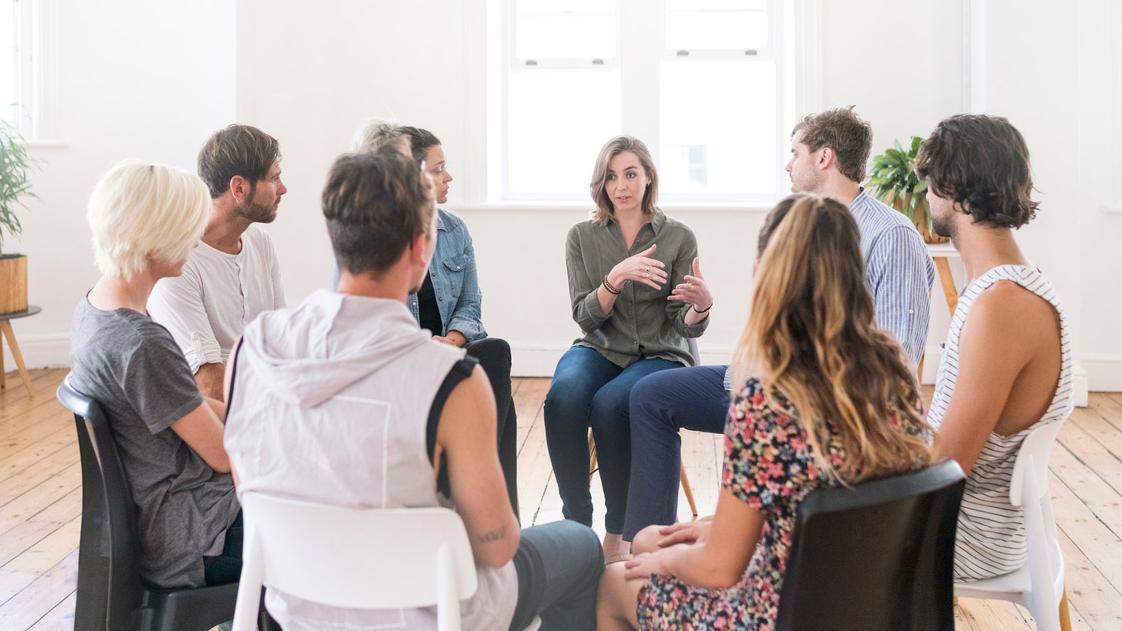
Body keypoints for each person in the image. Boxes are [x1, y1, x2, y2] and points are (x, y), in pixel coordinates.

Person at [223, 146, 603, 630]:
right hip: (426, 610)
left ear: (335, 236)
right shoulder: (451, 380)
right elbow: (496, 545)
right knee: (582, 545)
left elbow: (248, 483)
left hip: (294, 608)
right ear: (421, 247)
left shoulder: (251, 349)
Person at [596, 194, 932, 630]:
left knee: (618, 578)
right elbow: (823, 493)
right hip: (861, 598)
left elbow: (719, 569)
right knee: (645, 540)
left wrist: (674, 558)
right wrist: (714, 528)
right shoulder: (894, 373)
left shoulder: (768, 398)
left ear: (767, 273)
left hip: (778, 611)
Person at [622, 107, 935, 542]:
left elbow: (896, 356)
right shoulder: (803, 226)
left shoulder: (891, 235)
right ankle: (647, 543)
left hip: (817, 405)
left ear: (824, 158)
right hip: (770, 383)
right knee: (650, 396)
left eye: (795, 152)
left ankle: (695, 547)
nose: (788, 164)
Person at [67, 161, 241, 588]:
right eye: (187, 231)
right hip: (193, 539)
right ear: (153, 241)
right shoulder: (141, 344)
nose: (196, 241)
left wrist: (247, 411)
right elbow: (224, 456)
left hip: (162, 523)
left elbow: (190, 405)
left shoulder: (94, 309)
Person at [334, 121, 521, 515]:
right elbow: (362, 318)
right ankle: (487, 506)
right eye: (438, 169)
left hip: (447, 354)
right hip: (397, 363)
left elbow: (472, 308)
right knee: (491, 374)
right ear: (412, 177)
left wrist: (448, 343)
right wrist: (421, 348)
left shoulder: (454, 230)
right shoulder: (370, 239)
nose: (448, 176)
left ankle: (486, 500)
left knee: (494, 354)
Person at [916, 114, 1073, 580]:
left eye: (929, 186)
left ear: (952, 188)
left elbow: (947, 465)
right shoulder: (1008, 287)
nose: (926, 198)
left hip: (961, 536)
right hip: (967, 521)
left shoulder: (1000, 306)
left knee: (788, 523)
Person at [545, 135, 712, 562]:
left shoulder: (677, 237)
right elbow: (585, 316)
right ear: (601, 184)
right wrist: (614, 279)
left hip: (659, 352)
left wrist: (700, 306)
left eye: (631, 174)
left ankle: (615, 532)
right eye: (612, 176)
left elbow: (683, 325)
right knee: (562, 397)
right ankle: (575, 522)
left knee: (611, 404)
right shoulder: (582, 237)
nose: (621, 185)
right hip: (600, 345)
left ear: (649, 177)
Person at [147, 124, 287, 401]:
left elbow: (282, 340)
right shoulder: (177, 263)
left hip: (266, 400)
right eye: (274, 179)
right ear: (239, 187)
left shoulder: (260, 244)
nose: (282, 189)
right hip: (223, 420)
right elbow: (207, 384)